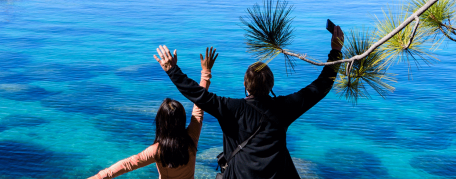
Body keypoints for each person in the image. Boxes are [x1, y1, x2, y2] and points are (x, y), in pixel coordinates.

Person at [155, 23, 344, 179]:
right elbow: (319, 87)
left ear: (245, 84)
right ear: (271, 86)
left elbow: (198, 95)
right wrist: (336, 51)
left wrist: (173, 70)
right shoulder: (284, 108)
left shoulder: (231, 108)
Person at [88, 47, 219, 179]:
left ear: (161, 123)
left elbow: (127, 164)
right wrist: (206, 72)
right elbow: (199, 107)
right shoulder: (191, 138)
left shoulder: (158, 150)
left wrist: (98, 177)